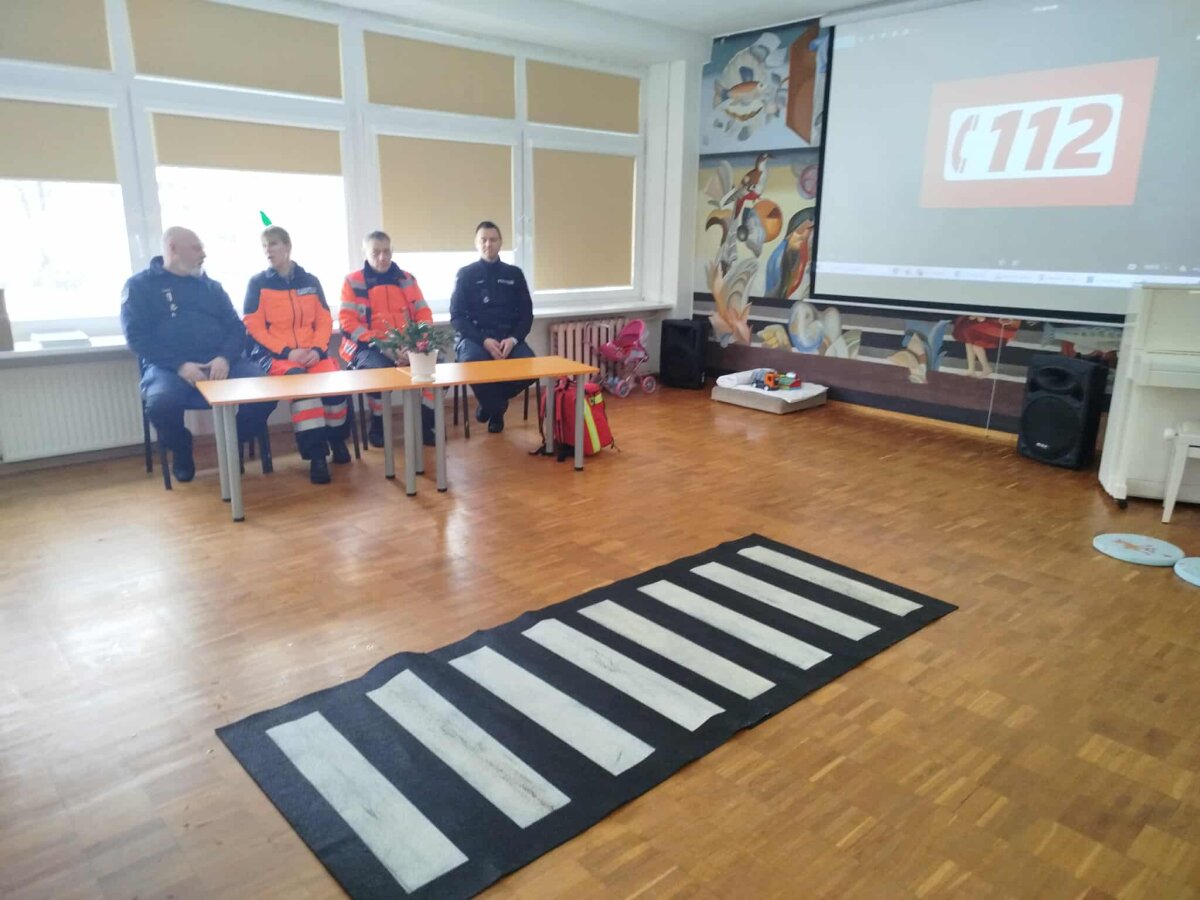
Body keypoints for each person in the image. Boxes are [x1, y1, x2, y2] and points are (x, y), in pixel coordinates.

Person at [121, 227, 275, 482]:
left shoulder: (211, 287)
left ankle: (232, 443)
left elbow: (237, 329)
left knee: (267, 391)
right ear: (172, 248)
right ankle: (181, 450)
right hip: (170, 368)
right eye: (196, 248)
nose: (203, 254)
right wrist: (180, 366)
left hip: (221, 363)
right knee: (160, 405)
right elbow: (136, 337)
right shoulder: (140, 286)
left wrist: (224, 358)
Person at [244, 226, 350, 484]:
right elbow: (253, 326)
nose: (268, 250)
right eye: (264, 246)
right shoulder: (258, 283)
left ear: (288, 246)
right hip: (278, 358)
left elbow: (323, 319)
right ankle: (316, 456)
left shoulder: (310, 281)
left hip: (312, 353)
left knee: (335, 384)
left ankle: (337, 441)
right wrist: (288, 352)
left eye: (273, 244)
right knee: (305, 390)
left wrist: (317, 350)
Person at [338, 231, 436, 447]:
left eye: (386, 252)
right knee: (377, 372)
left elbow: (423, 314)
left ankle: (425, 422)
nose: (382, 258)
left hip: (409, 344)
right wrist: (384, 346)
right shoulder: (352, 281)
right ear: (365, 253)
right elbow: (347, 323)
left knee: (437, 366)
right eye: (376, 252)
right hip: (368, 346)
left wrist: (417, 343)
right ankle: (378, 424)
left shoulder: (407, 279)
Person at [449, 221, 535, 433]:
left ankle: (491, 404)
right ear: (476, 243)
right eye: (483, 240)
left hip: (508, 338)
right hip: (475, 338)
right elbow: (457, 317)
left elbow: (526, 315)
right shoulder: (465, 274)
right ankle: (496, 410)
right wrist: (484, 341)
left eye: (493, 239)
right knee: (472, 365)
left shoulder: (514, 274)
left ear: (500, 242)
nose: (488, 244)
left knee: (531, 368)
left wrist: (513, 339)